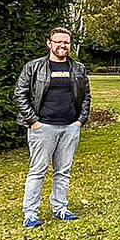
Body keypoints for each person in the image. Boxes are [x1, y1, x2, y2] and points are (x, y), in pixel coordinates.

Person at [14, 27, 91, 228]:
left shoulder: (78, 69)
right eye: (58, 41)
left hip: (69, 128)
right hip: (43, 128)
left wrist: (79, 121)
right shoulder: (34, 67)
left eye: (66, 42)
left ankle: (60, 208)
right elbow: (19, 95)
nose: (62, 45)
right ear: (49, 43)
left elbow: (86, 97)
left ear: (70, 45)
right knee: (38, 171)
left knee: (63, 171)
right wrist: (33, 121)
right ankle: (30, 213)